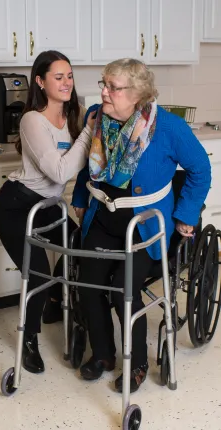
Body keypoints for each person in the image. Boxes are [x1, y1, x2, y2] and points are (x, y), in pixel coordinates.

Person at [72, 58, 211, 393]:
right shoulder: (97, 115)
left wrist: (186, 215)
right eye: (103, 83)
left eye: (113, 87)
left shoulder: (168, 127)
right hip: (103, 219)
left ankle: (136, 364)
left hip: (147, 227)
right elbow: (89, 165)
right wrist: (80, 195)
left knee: (124, 289)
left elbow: (200, 171)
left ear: (137, 94)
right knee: (88, 282)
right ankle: (104, 354)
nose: (103, 91)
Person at [0, 50, 95, 374]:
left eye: (69, 76)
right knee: (37, 271)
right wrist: (90, 133)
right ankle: (29, 340)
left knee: (82, 245)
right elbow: (60, 172)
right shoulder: (32, 120)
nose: (66, 83)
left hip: (48, 206)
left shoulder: (75, 114)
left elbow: (85, 165)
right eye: (58, 77)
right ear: (40, 81)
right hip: (17, 206)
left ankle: (54, 304)